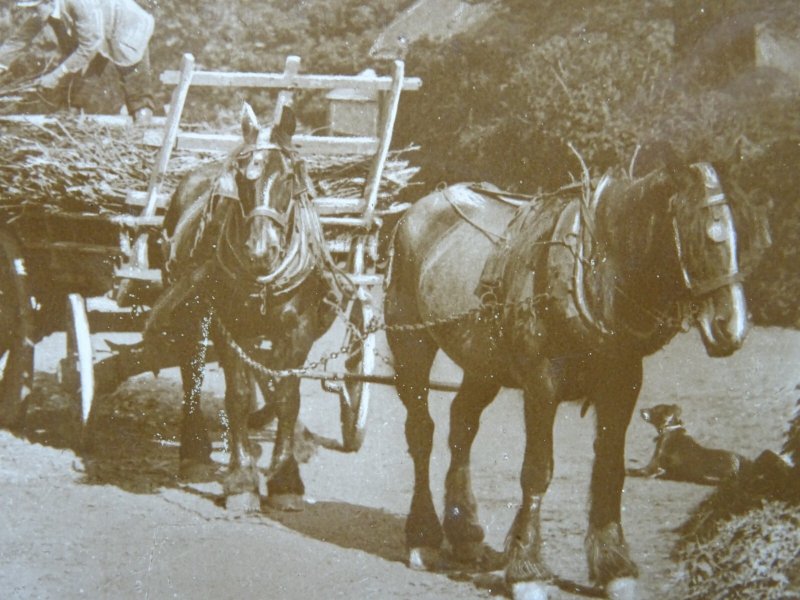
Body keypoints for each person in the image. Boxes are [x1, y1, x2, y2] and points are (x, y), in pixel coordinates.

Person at [0, 0, 155, 123]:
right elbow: (18, 40)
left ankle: (143, 120)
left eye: (34, 8)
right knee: (77, 72)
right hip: (96, 31)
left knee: (133, 76)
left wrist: (55, 75)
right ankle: (70, 114)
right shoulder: (43, 10)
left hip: (127, 24)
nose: (32, 13)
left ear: (48, 2)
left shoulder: (80, 4)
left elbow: (89, 47)